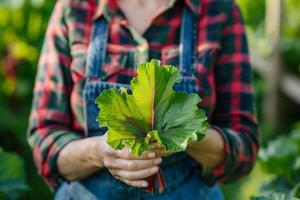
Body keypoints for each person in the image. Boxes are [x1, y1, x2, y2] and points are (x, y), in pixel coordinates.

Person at [27, 0, 259, 199]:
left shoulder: (218, 9)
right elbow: (44, 137)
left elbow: (244, 145)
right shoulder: (75, 8)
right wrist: (99, 151)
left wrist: (183, 133)